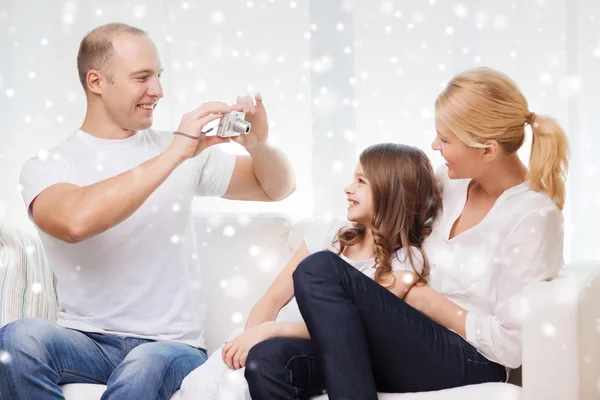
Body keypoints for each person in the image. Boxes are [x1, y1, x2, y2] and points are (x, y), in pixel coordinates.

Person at [0, 22, 295, 400]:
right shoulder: (48, 166)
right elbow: (75, 222)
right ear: (96, 82)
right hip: (86, 341)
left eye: (158, 76)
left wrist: (260, 146)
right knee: (16, 340)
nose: (157, 90)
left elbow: (277, 188)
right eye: (142, 77)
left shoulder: (185, 153)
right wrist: (174, 152)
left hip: (172, 348)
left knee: (143, 367)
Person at [244, 66, 569, 399]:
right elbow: (391, 208)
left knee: (319, 269)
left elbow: (510, 346)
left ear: (487, 150)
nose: (434, 145)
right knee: (266, 361)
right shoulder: (449, 183)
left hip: (468, 357)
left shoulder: (533, 217)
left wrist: (421, 296)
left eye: (445, 139)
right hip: (403, 337)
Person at [179, 142, 443, 400]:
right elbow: (271, 300)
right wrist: (252, 337)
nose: (348, 188)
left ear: (391, 191)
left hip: (317, 350)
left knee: (265, 364)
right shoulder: (329, 236)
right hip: (272, 338)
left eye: (361, 182)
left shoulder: (406, 261)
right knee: (209, 383)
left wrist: (271, 331)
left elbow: (350, 329)